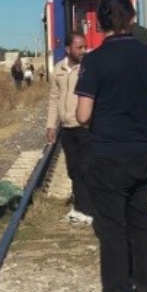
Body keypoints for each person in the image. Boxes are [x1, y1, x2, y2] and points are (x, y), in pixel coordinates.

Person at [73, 0, 147, 292]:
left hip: (108, 155)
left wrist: (109, 115)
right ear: (131, 20)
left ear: (100, 23)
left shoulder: (95, 61)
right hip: (142, 152)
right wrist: (137, 115)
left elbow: (83, 115)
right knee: (141, 224)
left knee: (112, 229)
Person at [46, 32, 93, 224]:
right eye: (79, 47)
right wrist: (50, 125)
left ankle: (88, 209)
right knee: (73, 169)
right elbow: (54, 98)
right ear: (68, 49)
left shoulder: (89, 68)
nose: (83, 51)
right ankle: (79, 207)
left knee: (87, 168)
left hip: (85, 126)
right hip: (66, 128)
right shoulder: (59, 69)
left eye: (84, 47)